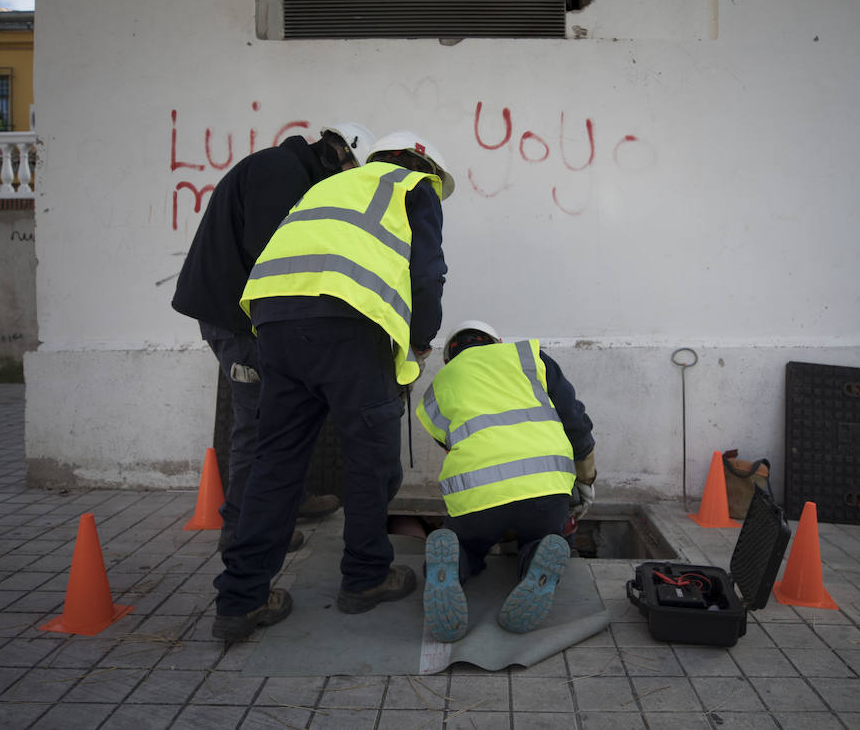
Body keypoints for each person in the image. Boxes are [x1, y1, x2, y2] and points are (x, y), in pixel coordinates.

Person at [211, 131, 454, 643]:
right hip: (347, 323)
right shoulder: (414, 186)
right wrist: (421, 338)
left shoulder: (329, 187)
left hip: (273, 317)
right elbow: (427, 276)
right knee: (370, 458)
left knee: (274, 462)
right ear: (422, 162)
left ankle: (241, 600)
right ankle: (365, 578)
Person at [172, 123, 376, 554]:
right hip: (238, 319)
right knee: (259, 421)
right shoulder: (280, 173)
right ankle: (246, 531)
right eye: (349, 174)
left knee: (284, 414)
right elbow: (273, 255)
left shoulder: (288, 171)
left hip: (249, 314)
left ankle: (289, 501)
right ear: (337, 154)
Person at [415, 321, 597, 642]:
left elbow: (453, 445)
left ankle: (450, 567)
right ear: (498, 342)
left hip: (477, 492)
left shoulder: (438, 387)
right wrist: (585, 480)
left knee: (466, 543)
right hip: (547, 484)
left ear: (448, 360)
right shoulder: (529, 358)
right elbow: (575, 423)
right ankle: (536, 561)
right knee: (545, 535)